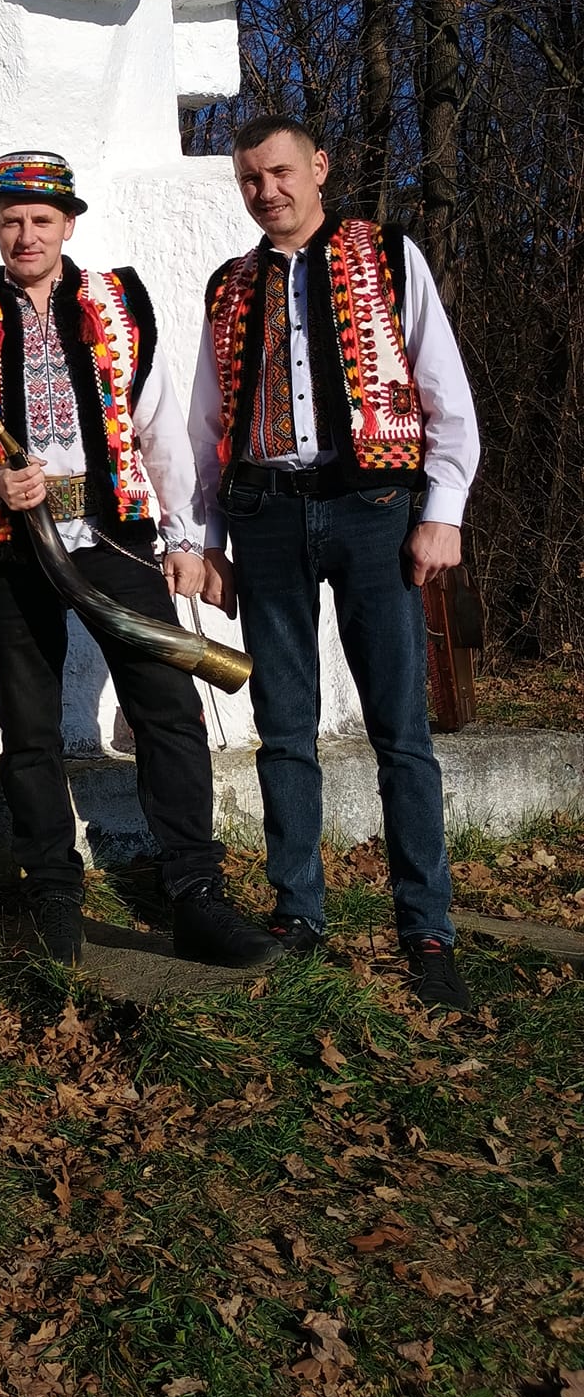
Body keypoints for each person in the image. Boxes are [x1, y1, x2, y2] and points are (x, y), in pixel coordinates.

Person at [0, 151, 277, 968]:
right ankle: (52, 894)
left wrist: (187, 540)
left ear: (68, 224)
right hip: (12, 544)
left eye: (41, 219)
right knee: (28, 723)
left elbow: (161, 428)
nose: (26, 235)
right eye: (10, 220)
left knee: (167, 710)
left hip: (117, 538)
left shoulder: (117, 302)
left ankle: (196, 895)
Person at [191, 115, 481, 1012]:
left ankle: (426, 929)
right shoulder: (230, 286)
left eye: (280, 171)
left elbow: (443, 388)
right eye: (250, 178)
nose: (266, 190)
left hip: (373, 512)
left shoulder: (387, 255)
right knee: (283, 725)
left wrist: (442, 511)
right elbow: (209, 422)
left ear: (318, 168)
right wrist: (206, 539)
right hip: (266, 517)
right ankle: (297, 917)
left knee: (401, 729)